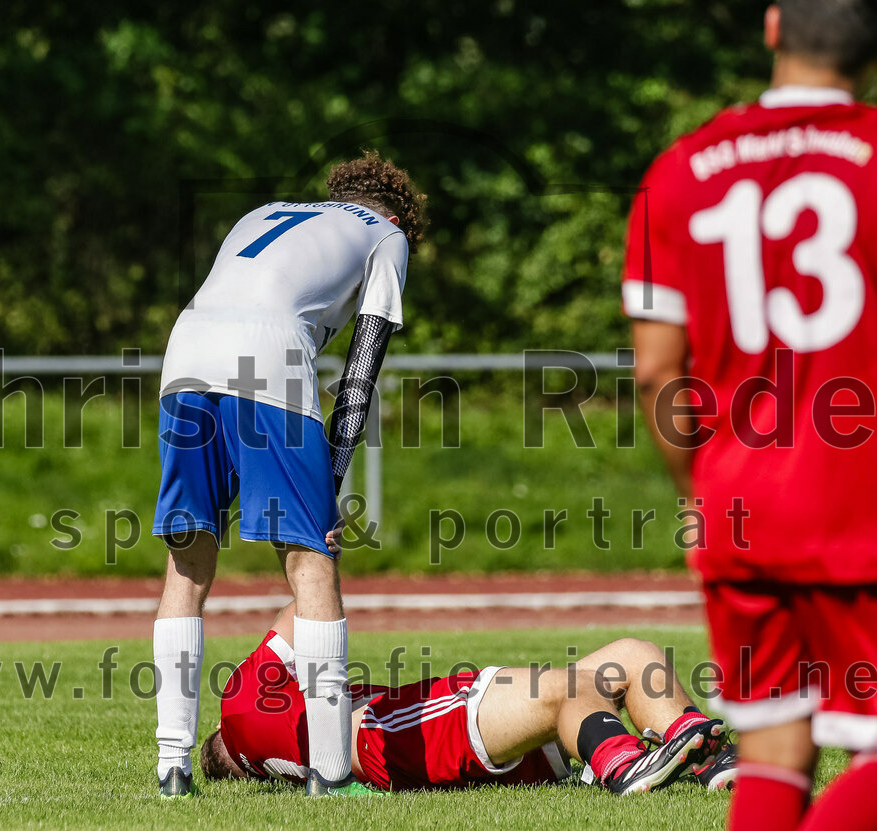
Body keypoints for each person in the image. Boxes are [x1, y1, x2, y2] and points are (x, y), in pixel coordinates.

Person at [624, 2, 877, 829]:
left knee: (775, 747)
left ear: (774, 27)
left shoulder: (680, 170)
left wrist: (694, 492)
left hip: (738, 503)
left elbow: (656, 369)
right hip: (870, 503)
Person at [150, 152, 427, 797]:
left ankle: (172, 766)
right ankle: (329, 770)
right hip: (268, 354)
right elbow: (363, 368)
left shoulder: (264, 211)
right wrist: (330, 484)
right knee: (310, 558)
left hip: (185, 349)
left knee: (187, 559)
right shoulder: (386, 235)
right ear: (398, 216)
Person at [199, 603, 737, 795]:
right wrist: (312, 540)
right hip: (395, 733)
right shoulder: (238, 708)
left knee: (630, 654)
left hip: (413, 742)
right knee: (573, 686)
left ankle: (701, 758)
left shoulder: (271, 743)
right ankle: (626, 767)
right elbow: (303, 608)